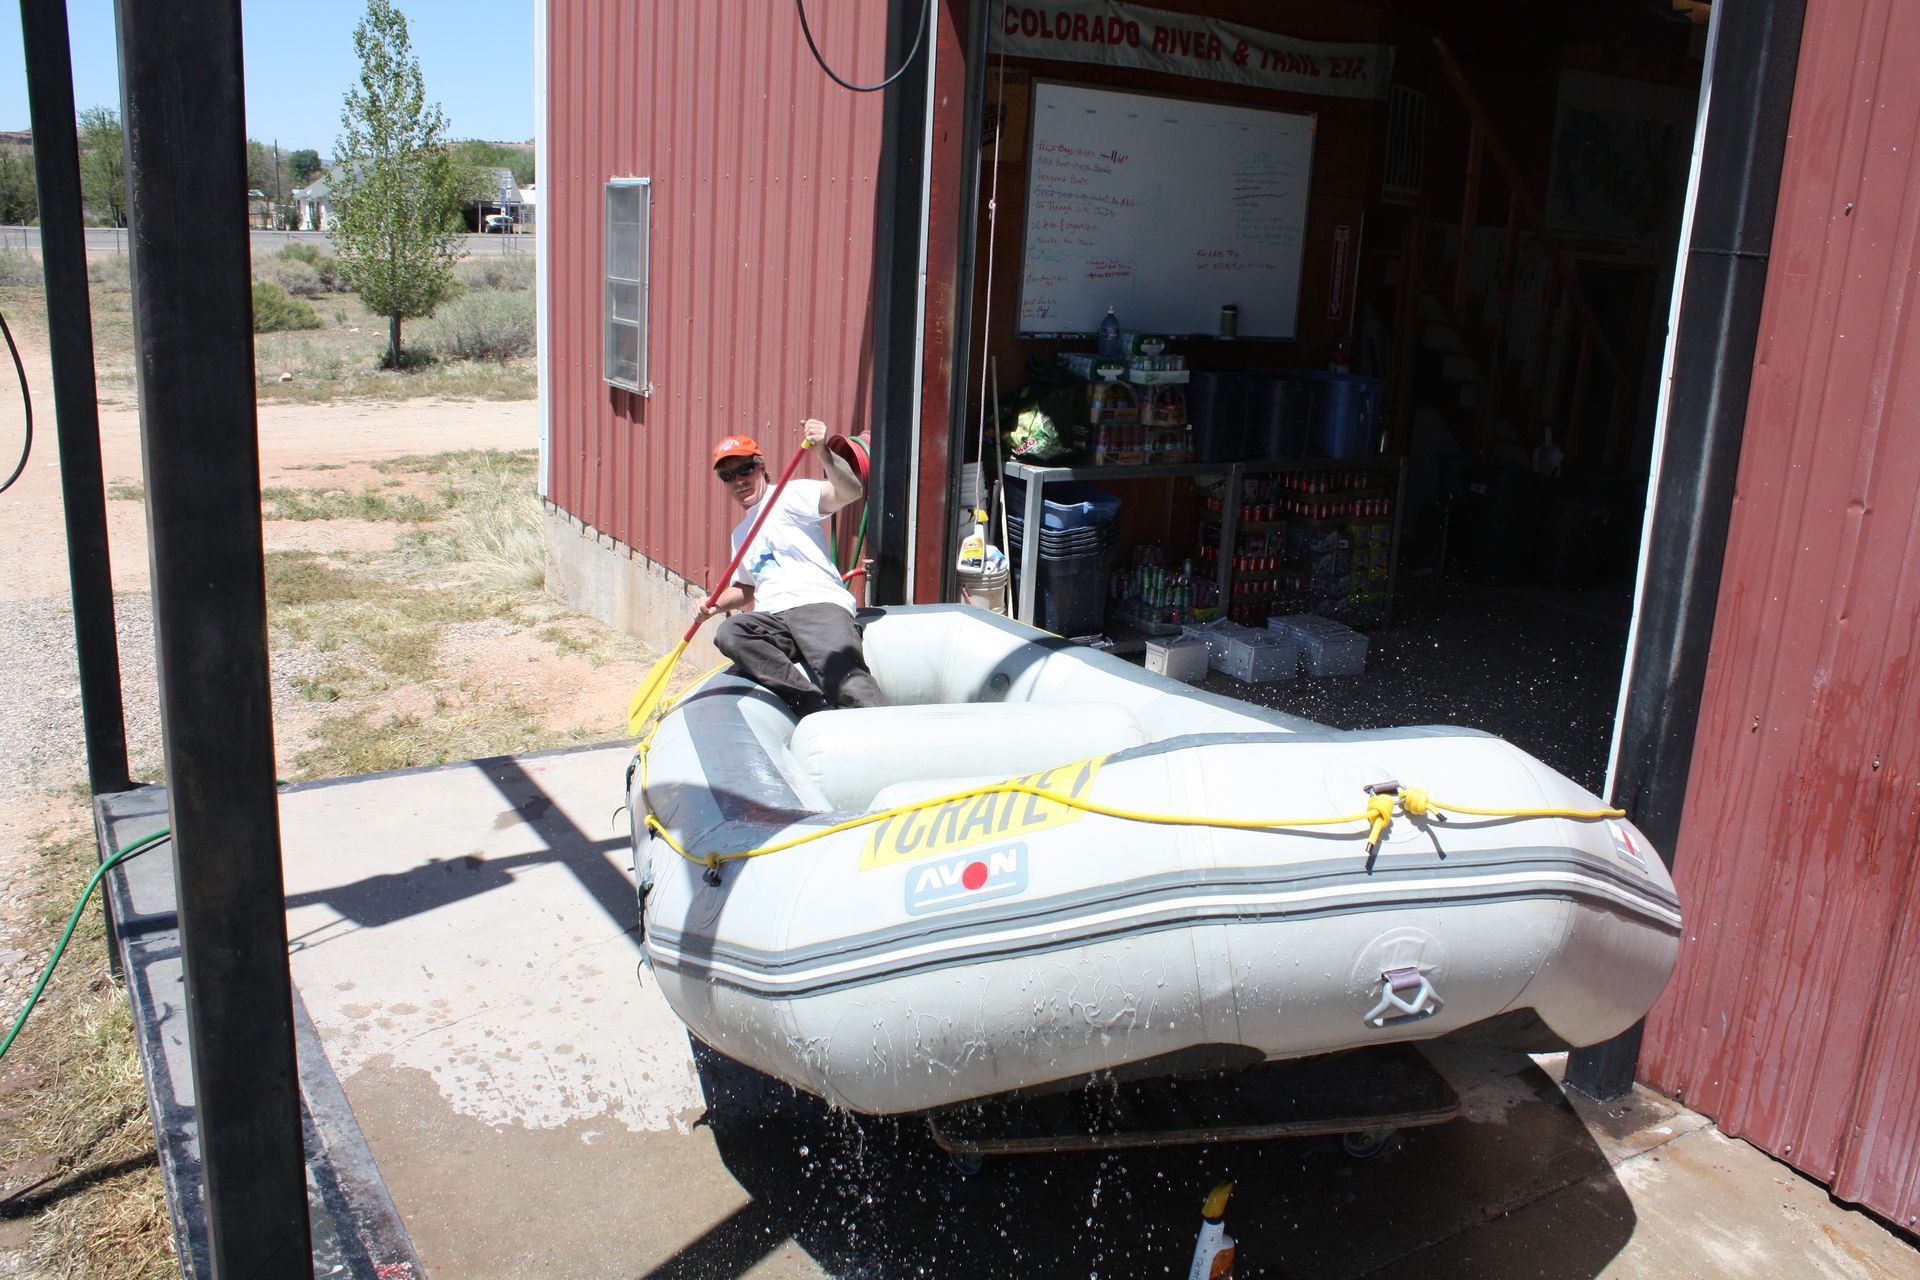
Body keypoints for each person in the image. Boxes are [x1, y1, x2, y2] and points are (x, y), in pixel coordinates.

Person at [699, 419, 884, 717]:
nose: (739, 480)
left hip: (816, 605)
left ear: (761, 467)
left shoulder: (789, 495)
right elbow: (747, 588)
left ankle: (881, 736)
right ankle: (812, 706)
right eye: (728, 475)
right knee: (730, 633)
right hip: (773, 618)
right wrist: (713, 604)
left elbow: (850, 492)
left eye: (745, 469)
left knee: (850, 686)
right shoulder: (740, 533)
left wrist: (823, 451)